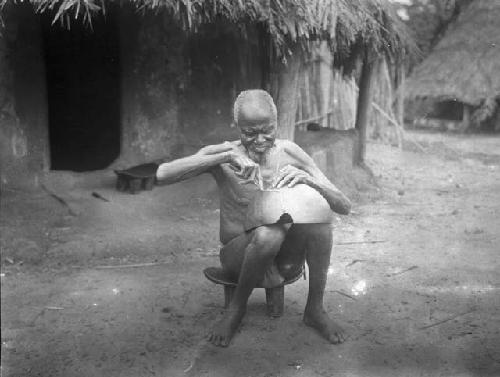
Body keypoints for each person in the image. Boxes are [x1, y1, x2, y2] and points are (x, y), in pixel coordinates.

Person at [156, 89, 351, 347]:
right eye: (249, 133)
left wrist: (310, 180)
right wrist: (225, 156)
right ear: (237, 127)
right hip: (238, 255)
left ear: (277, 123)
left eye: (267, 130)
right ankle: (235, 310)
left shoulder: (290, 152)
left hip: (283, 258)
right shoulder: (225, 154)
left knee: (320, 228)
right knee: (271, 232)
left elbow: (344, 206)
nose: (259, 140)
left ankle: (315, 309)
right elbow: (162, 174)